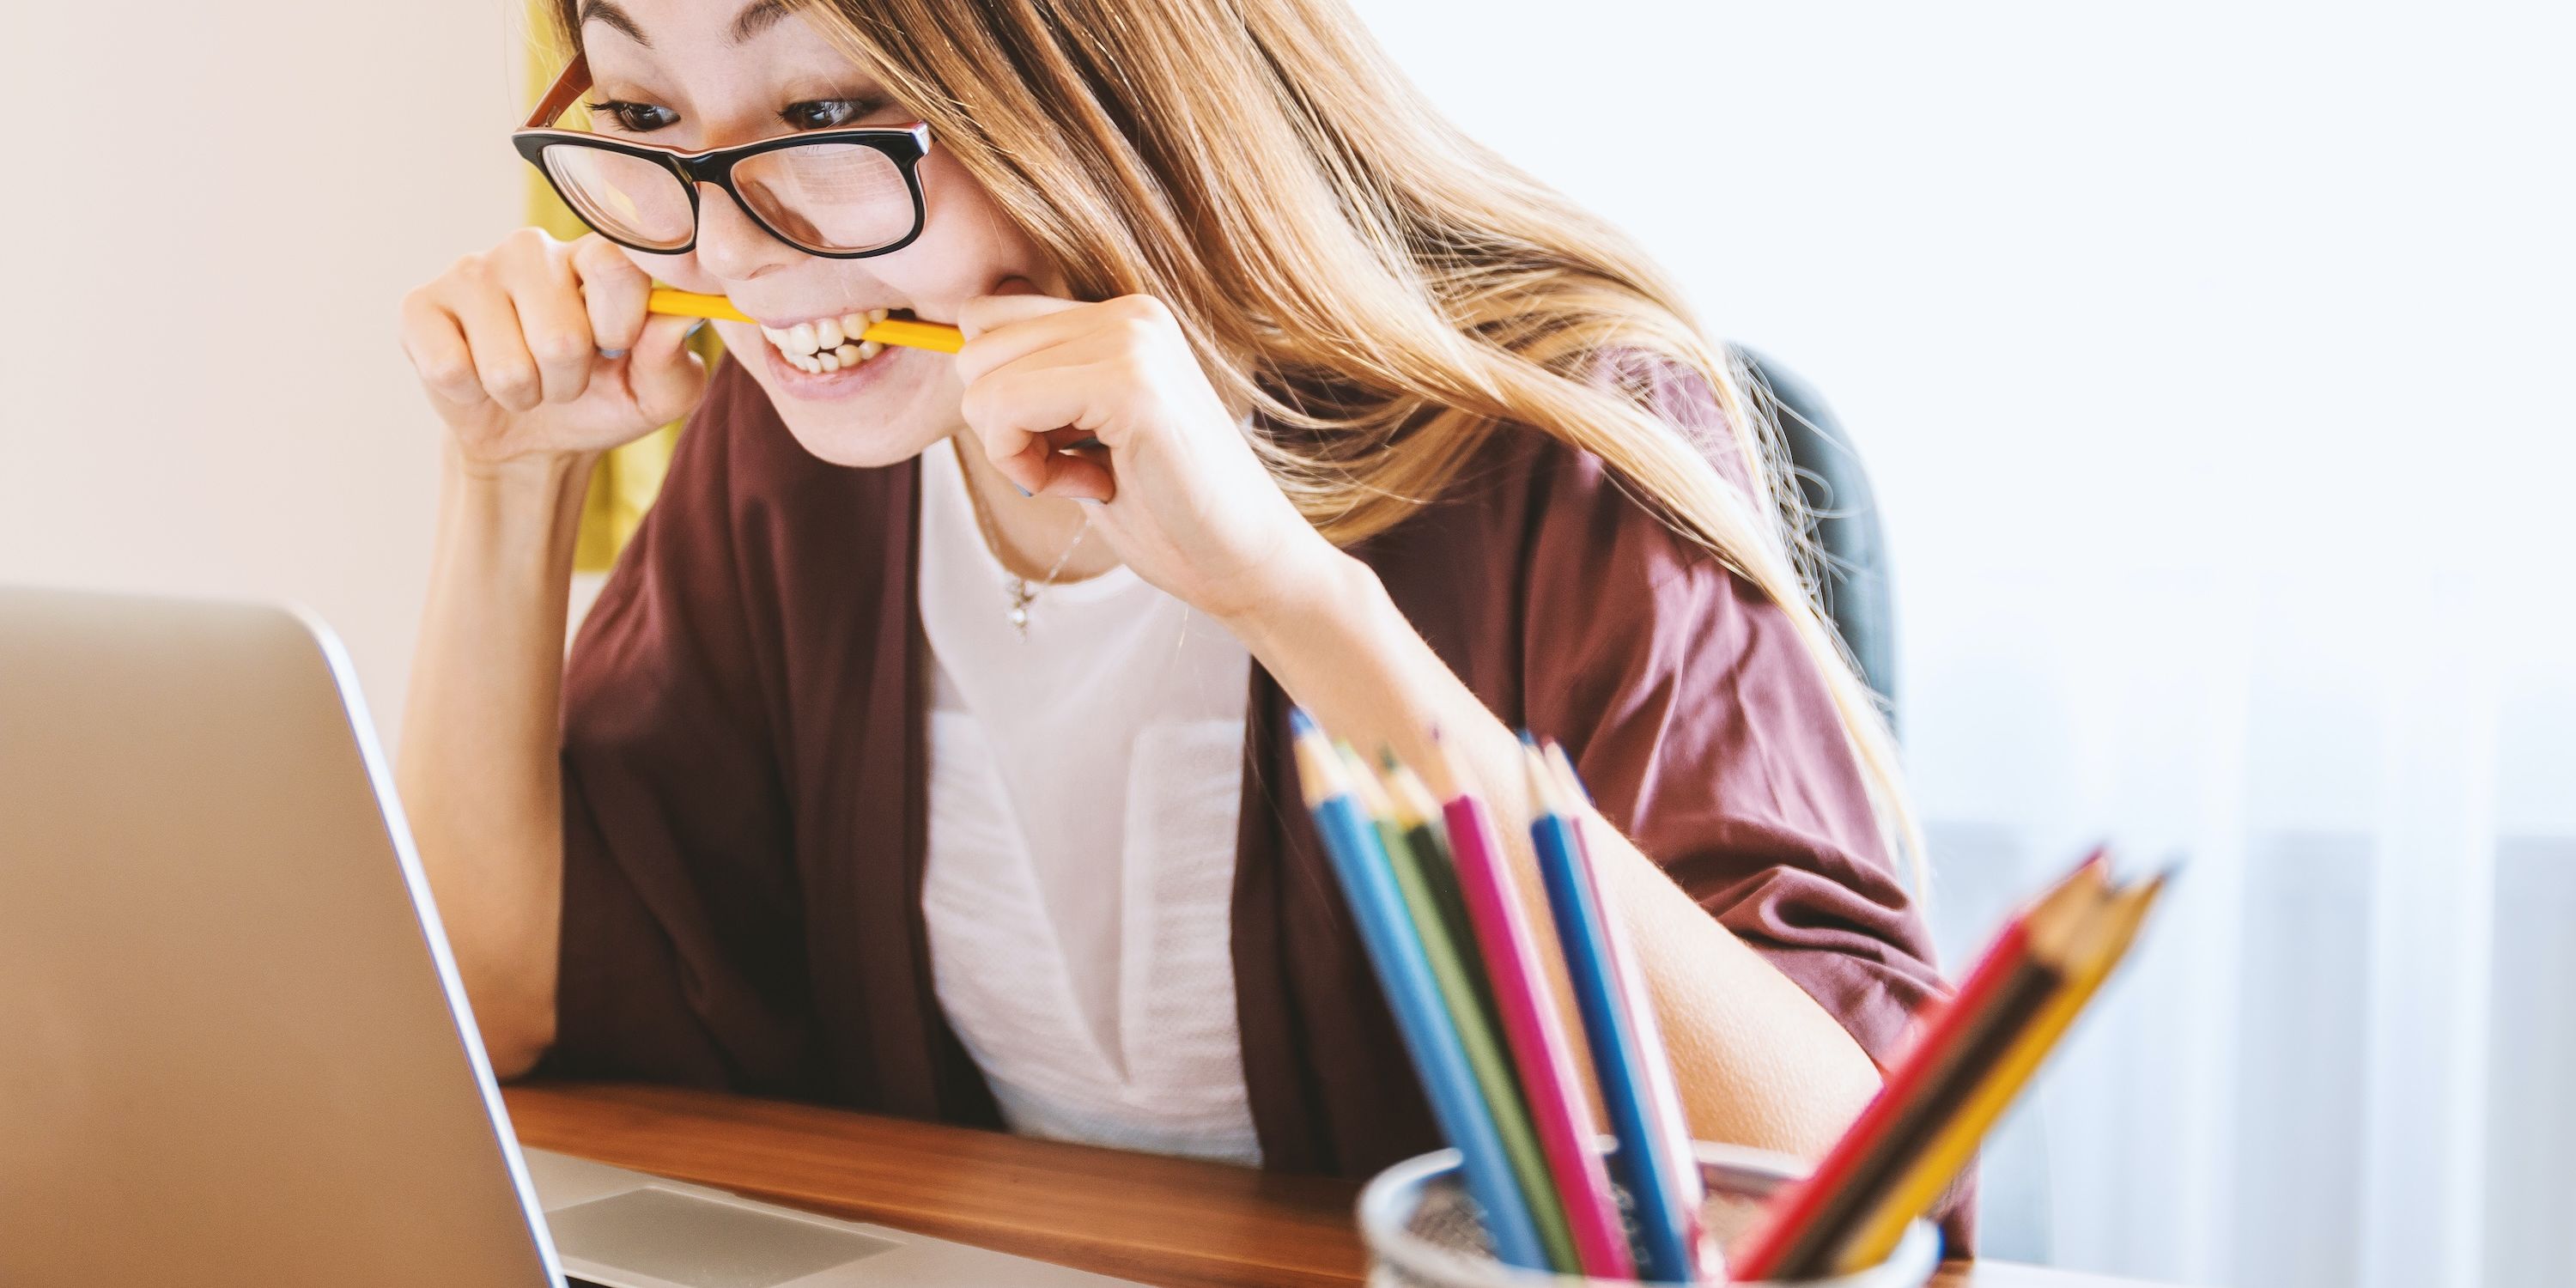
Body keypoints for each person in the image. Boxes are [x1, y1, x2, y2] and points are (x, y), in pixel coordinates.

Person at [395, 0, 1959, 1238]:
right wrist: (505, 482)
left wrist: (1287, 599)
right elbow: (496, 1010)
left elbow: (1844, 1187)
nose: (729, 250)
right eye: (645, 115)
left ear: (1099, 74)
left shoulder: (1554, 435)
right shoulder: (804, 447)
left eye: (828, 113)